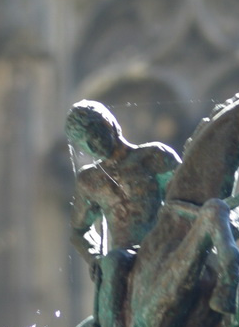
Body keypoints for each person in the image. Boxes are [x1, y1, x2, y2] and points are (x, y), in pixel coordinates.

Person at [65, 99, 181, 268]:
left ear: (107, 124)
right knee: (114, 264)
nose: (92, 147)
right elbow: (78, 232)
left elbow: (187, 193)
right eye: (84, 144)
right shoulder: (89, 180)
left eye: (93, 137)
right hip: (123, 260)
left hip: (163, 245)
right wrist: (94, 258)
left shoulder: (153, 156)